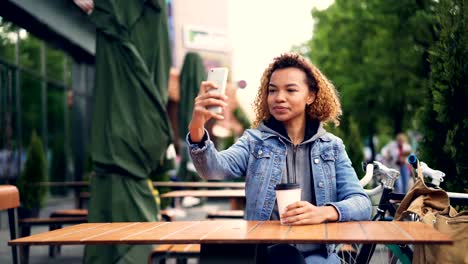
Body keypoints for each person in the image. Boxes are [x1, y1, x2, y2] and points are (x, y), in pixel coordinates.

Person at [186, 53, 372, 263]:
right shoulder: (254, 141)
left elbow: (362, 203)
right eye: (272, 90)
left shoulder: (332, 147)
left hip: (317, 255)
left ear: (310, 96)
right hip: (267, 255)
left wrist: (325, 212)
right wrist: (197, 126)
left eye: (290, 90)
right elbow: (212, 169)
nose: (279, 97)